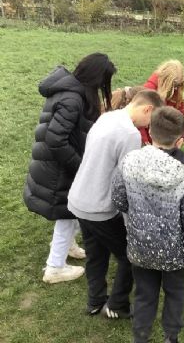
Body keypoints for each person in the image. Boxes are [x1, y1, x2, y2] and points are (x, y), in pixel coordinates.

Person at [111, 106, 184, 342]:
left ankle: (141, 336)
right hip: (174, 252)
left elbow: (118, 199)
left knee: (144, 294)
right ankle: (171, 337)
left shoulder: (129, 161)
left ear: (149, 131)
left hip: (140, 245)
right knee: (175, 293)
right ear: (180, 140)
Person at [68, 90, 164, 318]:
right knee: (131, 255)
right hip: (100, 207)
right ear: (147, 109)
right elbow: (127, 181)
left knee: (96, 253)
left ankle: (95, 301)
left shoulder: (107, 117)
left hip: (78, 199)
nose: (149, 127)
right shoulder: (129, 134)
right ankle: (117, 305)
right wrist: (132, 222)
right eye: (151, 121)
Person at [23, 53, 116, 283]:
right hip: (58, 168)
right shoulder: (72, 99)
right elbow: (56, 140)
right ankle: (55, 267)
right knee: (67, 211)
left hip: (57, 164)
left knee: (71, 208)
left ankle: (67, 245)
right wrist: (80, 165)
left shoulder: (70, 90)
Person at [140, 59, 184, 144]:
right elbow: (139, 117)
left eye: (178, 85)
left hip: (165, 139)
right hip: (150, 138)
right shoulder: (149, 90)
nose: (176, 88)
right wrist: (145, 141)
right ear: (165, 80)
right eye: (174, 85)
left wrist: (182, 136)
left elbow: (180, 114)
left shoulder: (177, 90)